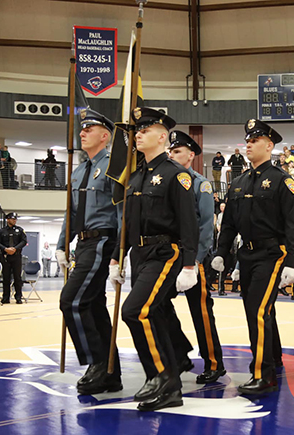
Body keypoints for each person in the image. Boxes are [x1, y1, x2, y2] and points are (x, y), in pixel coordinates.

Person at [108, 107, 198, 412]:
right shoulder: (135, 177)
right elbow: (127, 223)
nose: (138, 135)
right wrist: (116, 259)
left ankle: (160, 375)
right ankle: (169, 386)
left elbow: (189, 221)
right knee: (155, 314)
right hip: (140, 254)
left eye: (145, 130)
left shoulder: (176, 174)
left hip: (165, 252)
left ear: (162, 137)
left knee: (134, 310)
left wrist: (189, 263)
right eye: (137, 131)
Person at [212, 118, 294, 393]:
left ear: (269, 145)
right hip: (247, 255)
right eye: (247, 141)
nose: (248, 144)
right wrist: (222, 254)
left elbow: (292, 226)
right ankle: (273, 358)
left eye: (254, 141)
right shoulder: (238, 182)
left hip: (272, 253)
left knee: (258, 311)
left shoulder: (281, 181)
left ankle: (264, 375)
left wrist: (292, 263)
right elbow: (229, 225)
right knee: (260, 310)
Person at [53, 109, 124, 395]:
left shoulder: (112, 165)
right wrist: (61, 244)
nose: (82, 133)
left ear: (105, 136)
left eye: (89, 129)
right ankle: (110, 373)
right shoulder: (79, 169)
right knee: (94, 307)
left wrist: (120, 253)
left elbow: (122, 213)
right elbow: (71, 213)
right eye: (82, 129)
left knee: (72, 300)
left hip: (101, 243)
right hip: (82, 244)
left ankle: (95, 362)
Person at [164, 130, 226, 384]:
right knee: (158, 306)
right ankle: (178, 354)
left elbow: (205, 226)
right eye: (170, 151)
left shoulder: (201, 184)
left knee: (200, 311)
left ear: (190, 155)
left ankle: (214, 363)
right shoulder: (166, 180)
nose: (171, 155)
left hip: (192, 258)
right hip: (168, 255)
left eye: (177, 151)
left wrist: (196, 260)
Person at [0, 212, 26, 305]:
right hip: (5, 256)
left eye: (15, 219)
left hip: (16, 256)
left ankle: (18, 297)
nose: (14, 220)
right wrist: (5, 249)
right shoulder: (2, 231)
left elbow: (24, 241)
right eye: (12, 219)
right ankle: (6, 297)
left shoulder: (20, 230)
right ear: (7, 219)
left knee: (17, 278)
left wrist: (15, 248)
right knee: (6, 278)